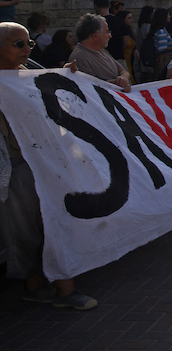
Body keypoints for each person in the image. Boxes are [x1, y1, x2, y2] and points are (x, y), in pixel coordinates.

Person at [0, 22, 98, 310]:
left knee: (55, 222)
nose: (26, 49)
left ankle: (64, 288)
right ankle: (36, 286)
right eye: (18, 44)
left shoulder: (29, 69)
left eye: (29, 43)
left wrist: (65, 77)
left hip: (43, 160)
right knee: (22, 230)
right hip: (14, 167)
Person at [69, 13, 132, 92]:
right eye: (107, 32)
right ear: (95, 36)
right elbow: (90, 88)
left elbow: (123, 70)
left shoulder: (101, 50)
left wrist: (123, 78)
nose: (110, 36)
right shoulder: (80, 58)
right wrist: (119, 84)